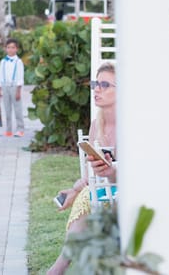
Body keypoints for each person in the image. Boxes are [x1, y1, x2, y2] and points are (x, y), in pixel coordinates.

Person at [47, 62, 118, 275]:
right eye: (96, 83)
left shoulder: (132, 125)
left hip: (126, 192)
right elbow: (89, 176)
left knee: (90, 196)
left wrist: (112, 172)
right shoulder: (97, 124)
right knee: (87, 196)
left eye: (105, 84)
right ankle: (59, 269)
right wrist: (74, 190)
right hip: (99, 192)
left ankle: (58, 269)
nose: (96, 89)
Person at [0, 38, 25, 137]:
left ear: (17, 49)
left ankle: (20, 129)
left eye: (13, 48)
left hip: (14, 86)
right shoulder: (3, 62)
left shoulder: (19, 62)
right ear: (5, 49)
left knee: (17, 109)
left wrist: (18, 91)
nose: (10, 50)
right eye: (8, 47)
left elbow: (20, 77)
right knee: (7, 109)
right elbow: (0, 75)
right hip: (5, 86)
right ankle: (8, 129)